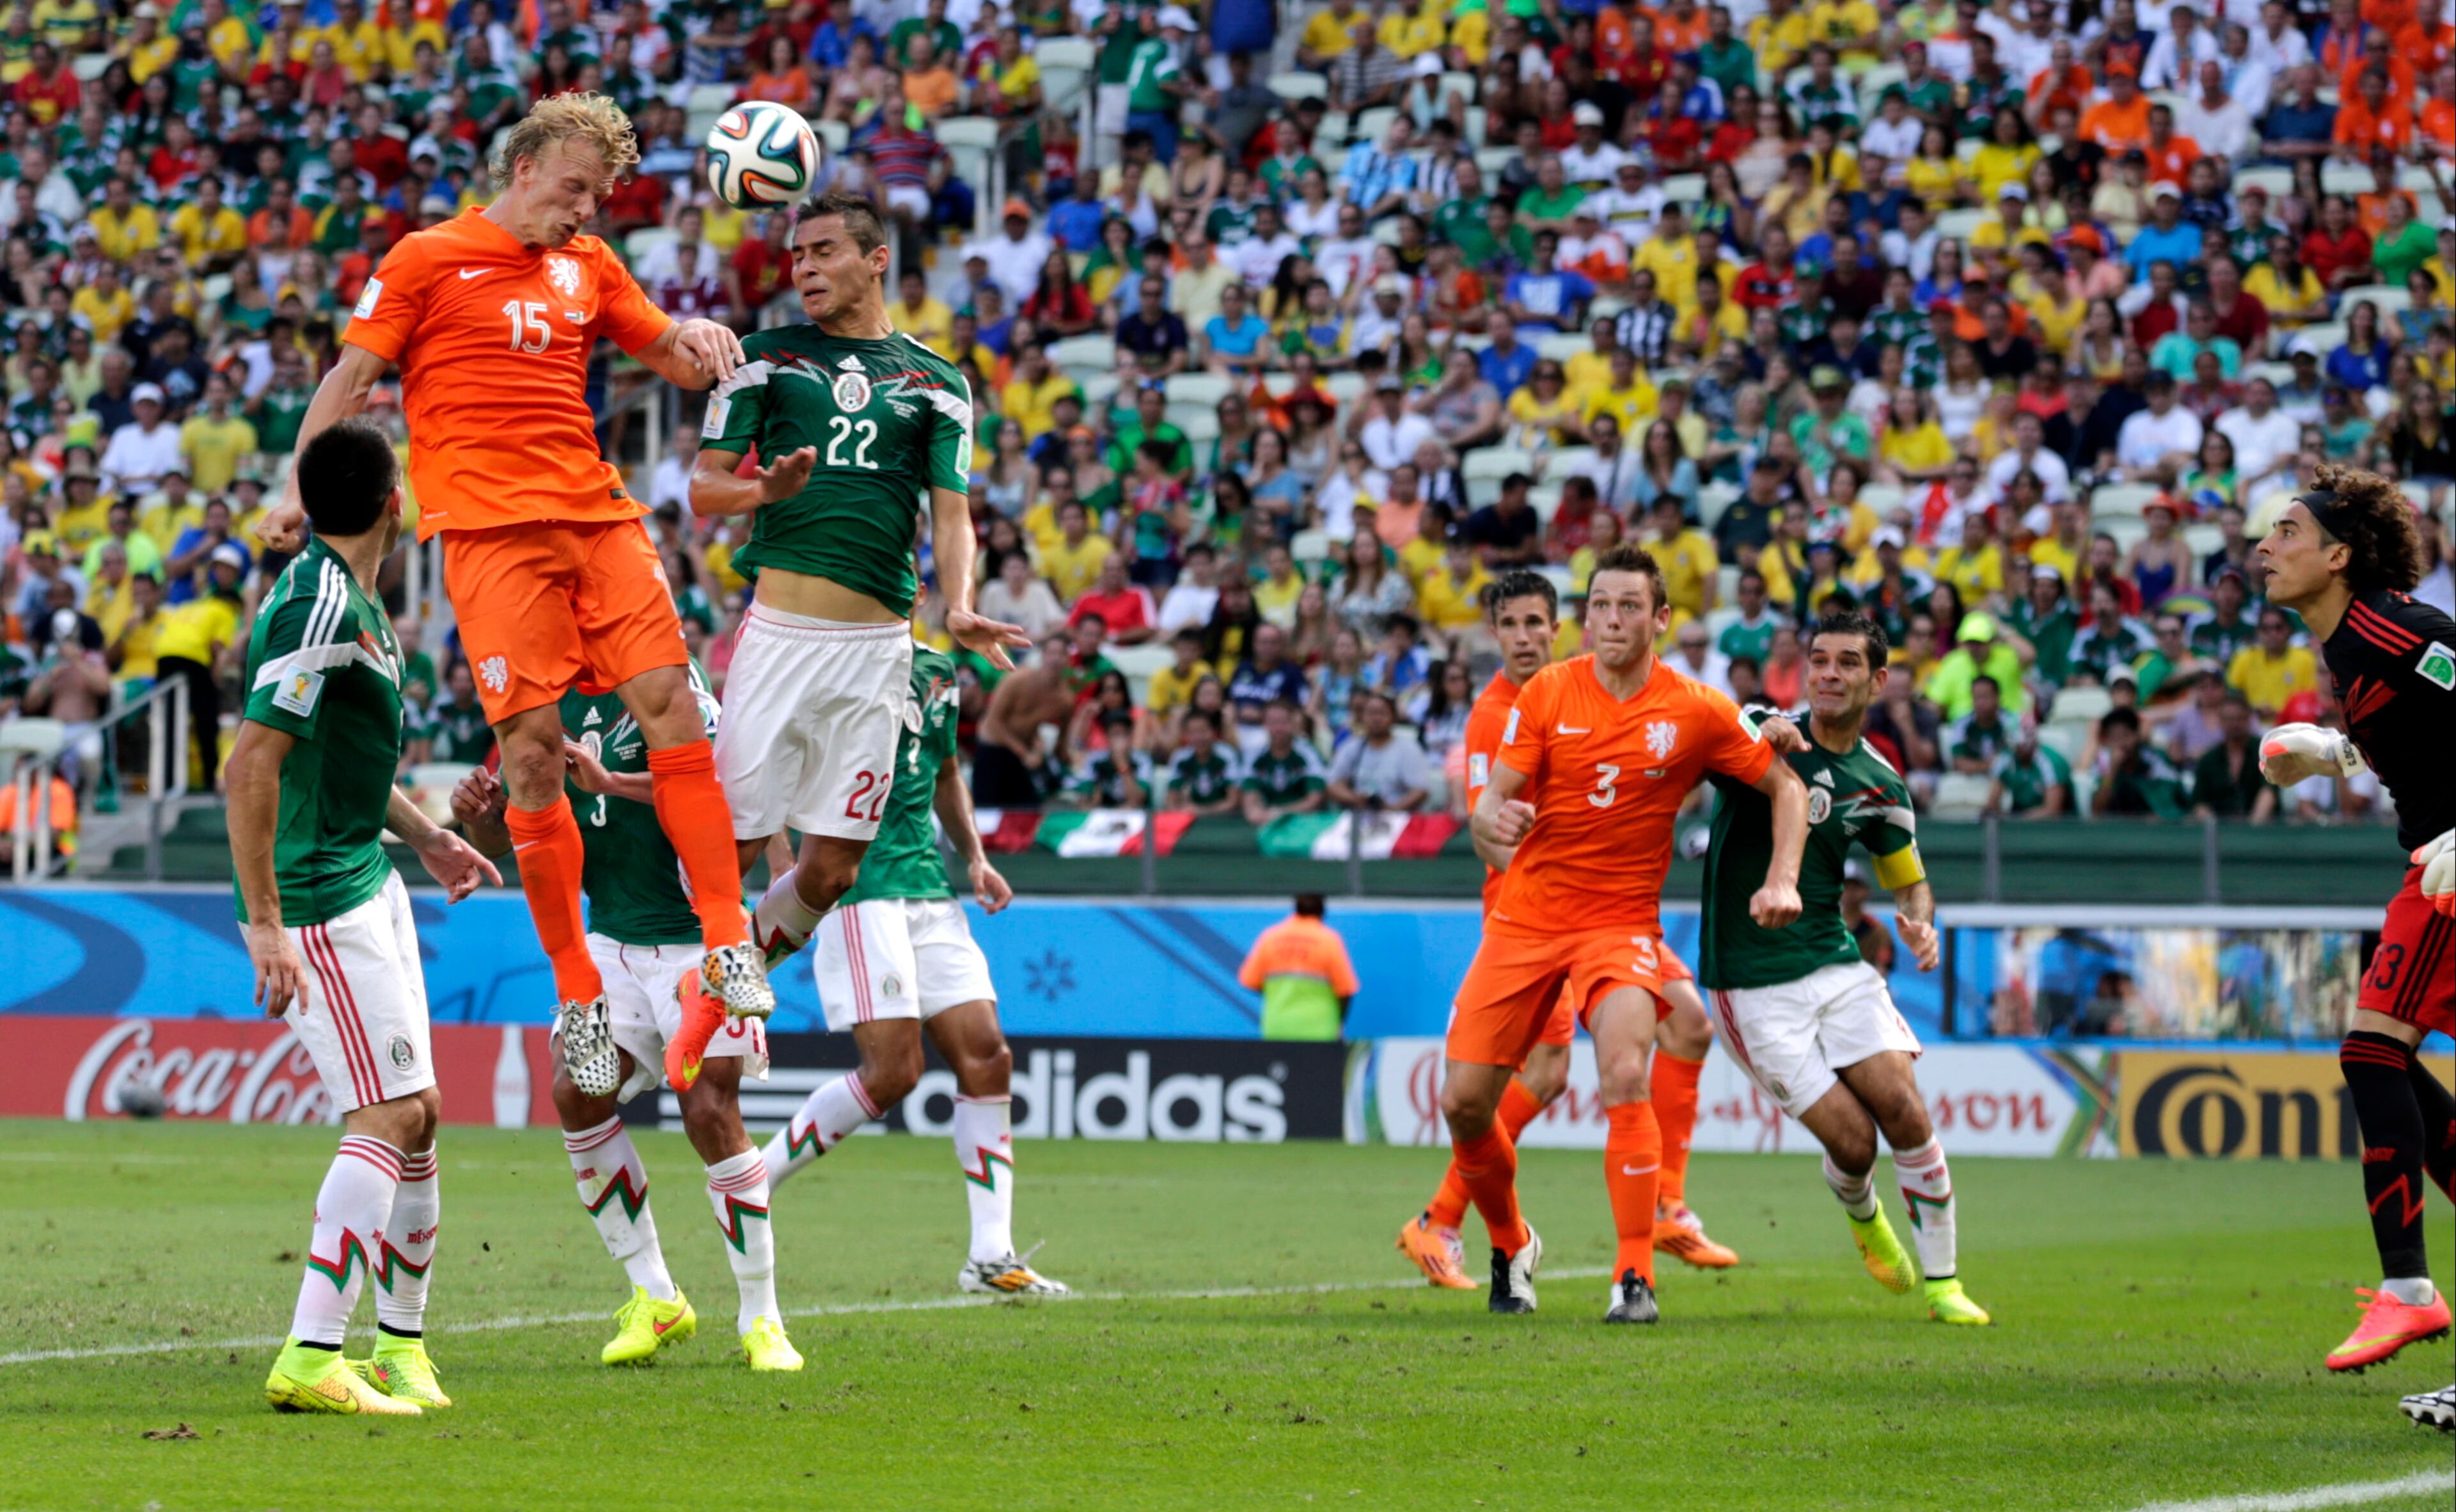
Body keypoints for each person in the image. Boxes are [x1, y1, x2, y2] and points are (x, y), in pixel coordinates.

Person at [259, 95, 778, 1101]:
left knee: (672, 706)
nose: (585, 209)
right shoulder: (426, 258)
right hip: (492, 541)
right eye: (575, 186)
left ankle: (725, 943)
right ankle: (580, 992)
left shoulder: (591, 266)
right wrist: (297, 488)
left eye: (601, 194)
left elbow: (666, 352)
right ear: (527, 163)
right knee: (534, 756)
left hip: (597, 518)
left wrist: (704, 338)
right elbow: (352, 377)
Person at [692, 191, 1030, 1091]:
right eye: (796, 253)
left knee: (834, 866)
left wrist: (959, 604)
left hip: (882, 649)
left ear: (876, 260)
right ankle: (687, 1001)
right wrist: (765, 491)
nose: (802, 267)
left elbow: (953, 515)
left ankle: (726, 982)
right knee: (731, 848)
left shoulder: (936, 380)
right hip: (784, 638)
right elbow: (703, 487)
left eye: (824, 251)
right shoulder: (765, 360)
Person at [1454, 544, 1806, 1321]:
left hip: (1619, 924)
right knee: (1463, 1106)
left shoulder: (1693, 709)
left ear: (1662, 619)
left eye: (1628, 607)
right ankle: (1511, 1244)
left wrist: (1782, 877)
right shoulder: (1547, 691)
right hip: (1526, 919)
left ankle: (1633, 1276)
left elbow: (1784, 786)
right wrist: (1491, 818)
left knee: (1624, 1075)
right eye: (1601, 606)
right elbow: (1488, 809)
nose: (1611, 621)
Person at [228, 420, 500, 1416]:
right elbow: (252, 764)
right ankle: (309, 1355)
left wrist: (425, 837)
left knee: (421, 1120)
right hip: (317, 894)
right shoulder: (316, 604)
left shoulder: (356, 604)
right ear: (395, 504)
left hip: (368, 872)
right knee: (386, 1116)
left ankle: (400, 1347)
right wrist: (266, 924)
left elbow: (338, 756)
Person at [1398, 568, 1742, 1292]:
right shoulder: (1501, 713)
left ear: (1559, 629)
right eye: (1510, 625)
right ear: (1493, 634)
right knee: (1519, 1084)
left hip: (1609, 912)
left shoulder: (1583, 689)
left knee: (1688, 1026)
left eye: (1536, 624)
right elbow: (1487, 830)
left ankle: (1667, 1204)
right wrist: (1505, 834)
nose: (1525, 638)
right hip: (1533, 918)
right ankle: (1443, 1218)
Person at [450, 656, 799, 1368]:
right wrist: (482, 821)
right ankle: (657, 1298)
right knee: (576, 1093)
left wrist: (610, 783)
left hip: (698, 936)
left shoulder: (667, 684)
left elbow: (729, 797)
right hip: (607, 940)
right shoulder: (535, 708)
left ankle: (763, 1319)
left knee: (710, 1110)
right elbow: (518, 844)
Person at [1699, 610, 1987, 1326]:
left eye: (1847, 663)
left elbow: (1907, 877)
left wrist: (1921, 920)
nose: (1829, 673)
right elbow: (1723, 722)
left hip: (1834, 962)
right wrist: (1758, 719)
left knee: (1904, 1109)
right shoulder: (1763, 735)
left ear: (1878, 680)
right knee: (1855, 1143)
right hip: (1750, 982)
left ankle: (1945, 1285)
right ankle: (1865, 1218)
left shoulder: (1880, 782)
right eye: (1819, 661)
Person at [758, 644, 1067, 1298]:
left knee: (989, 1056)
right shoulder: (829, 659)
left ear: (918, 590)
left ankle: (990, 1258)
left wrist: (976, 857)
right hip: (858, 889)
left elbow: (946, 770)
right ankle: (752, 1183)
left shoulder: (936, 673)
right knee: (895, 1071)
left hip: (928, 888)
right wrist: (787, 874)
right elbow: (772, 772)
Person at [2249, 466, 2456, 1413]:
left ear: (2339, 555)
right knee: (2378, 1056)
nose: (2266, 545)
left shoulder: (2397, 630)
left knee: (2374, 1051)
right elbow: (2422, 732)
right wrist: (2335, 752)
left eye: (2287, 531)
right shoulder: (2351, 644)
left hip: (2448, 870)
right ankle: (2410, 1293)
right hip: (2434, 870)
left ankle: (2409, 1291)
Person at [1237, 892, 1362, 1041]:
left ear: (1296, 910)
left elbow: (1249, 981)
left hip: (1278, 1026)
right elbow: (1346, 990)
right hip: (1319, 1029)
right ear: (1322, 912)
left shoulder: (1270, 937)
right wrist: (1339, 1023)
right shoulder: (1328, 940)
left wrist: (1279, 994)